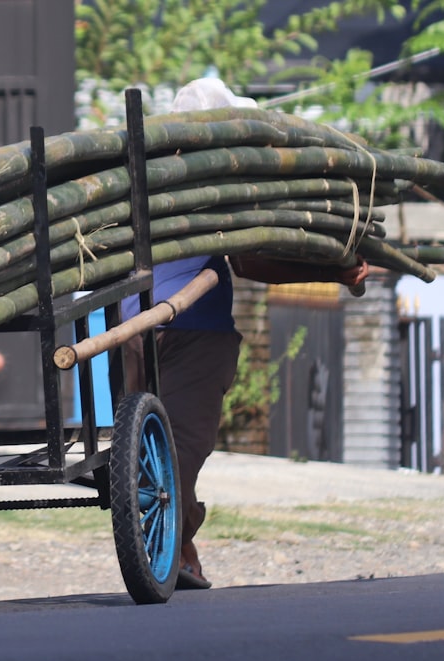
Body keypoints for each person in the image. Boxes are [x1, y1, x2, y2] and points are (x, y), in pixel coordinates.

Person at [122, 79, 369, 590]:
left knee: (153, 450)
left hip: (126, 328)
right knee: (177, 448)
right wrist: (335, 273)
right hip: (191, 330)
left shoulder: (138, 174)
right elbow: (252, 261)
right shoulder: (218, 181)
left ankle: (178, 549)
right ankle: (177, 546)